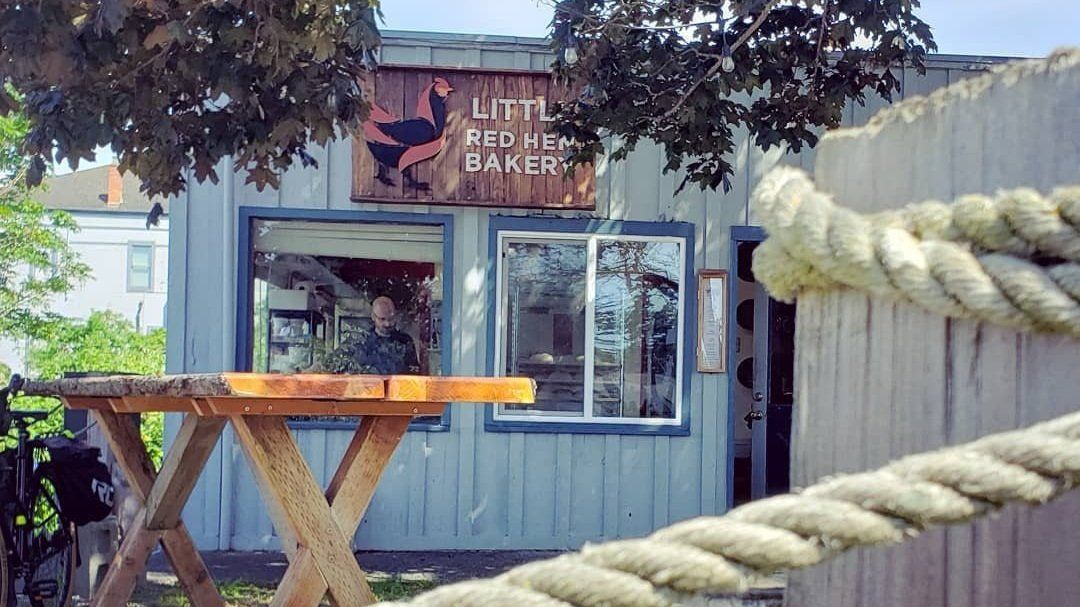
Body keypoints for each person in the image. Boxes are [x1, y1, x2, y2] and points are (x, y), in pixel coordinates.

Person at [318, 296, 421, 374]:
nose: (387, 324)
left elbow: (414, 374)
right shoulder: (359, 342)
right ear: (373, 317)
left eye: (391, 318)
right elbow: (331, 365)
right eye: (382, 319)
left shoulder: (405, 342)